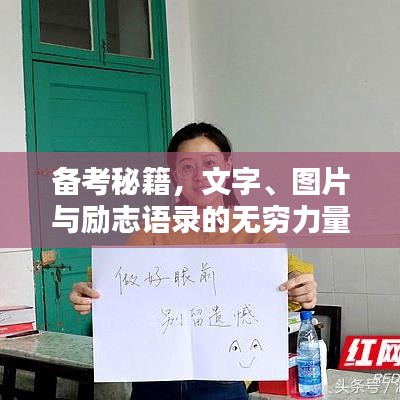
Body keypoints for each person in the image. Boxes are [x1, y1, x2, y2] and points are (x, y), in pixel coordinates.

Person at [70, 122, 317, 400]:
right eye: (187, 167)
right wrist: (90, 294)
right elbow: (111, 281)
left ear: (227, 167)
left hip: (223, 379)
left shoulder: (254, 231)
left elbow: (288, 273)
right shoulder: (152, 231)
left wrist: (299, 285)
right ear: (176, 175)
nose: (200, 176)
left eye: (210, 163)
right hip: (155, 376)